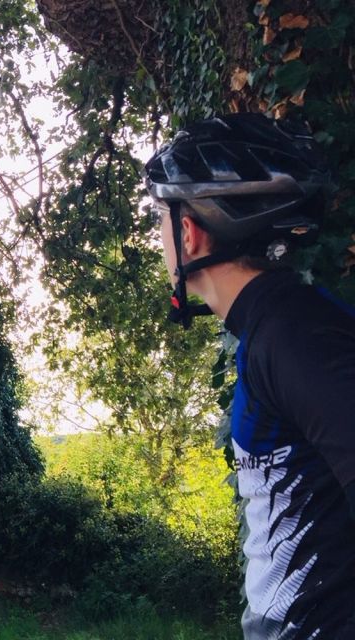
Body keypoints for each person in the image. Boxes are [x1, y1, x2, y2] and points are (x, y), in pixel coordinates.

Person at [144, 113, 355, 639]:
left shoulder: (294, 334)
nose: (161, 239)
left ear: (188, 233)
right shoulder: (274, 328)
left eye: (161, 219)